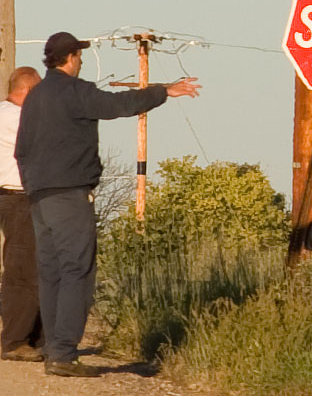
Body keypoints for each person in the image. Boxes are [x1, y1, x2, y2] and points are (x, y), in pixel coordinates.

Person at [15, 32, 200, 377]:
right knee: (76, 271)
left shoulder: (36, 95)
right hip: (69, 194)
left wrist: (32, 185)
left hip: (39, 196)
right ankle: (64, 354)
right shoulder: (75, 91)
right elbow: (119, 106)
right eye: (79, 55)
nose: (81, 60)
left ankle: (55, 349)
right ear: (70, 57)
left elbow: (20, 149)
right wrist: (164, 91)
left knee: (52, 273)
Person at [0, 66, 43, 362]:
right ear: (27, 91)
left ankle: (33, 336)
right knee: (22, 272)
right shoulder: (13, 116)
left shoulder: (10, 114)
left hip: (23, 198)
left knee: (32, 269)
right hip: (17, 197)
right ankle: (15, 340)